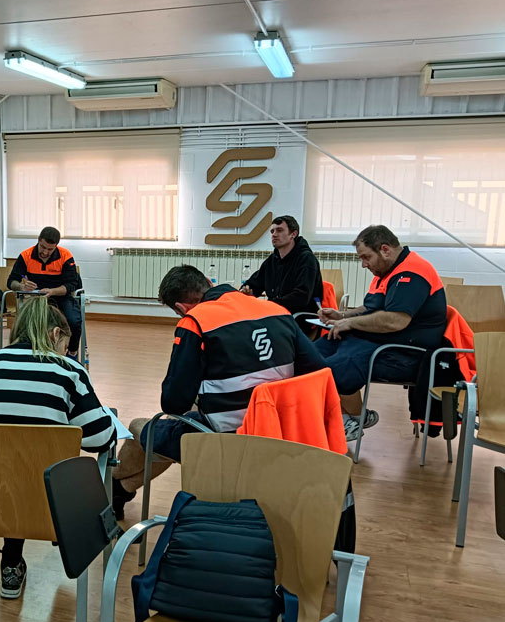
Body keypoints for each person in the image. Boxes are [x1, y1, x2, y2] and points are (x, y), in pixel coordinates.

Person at [111, 264, 327, 519]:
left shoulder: (195, 322)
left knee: (142, 427)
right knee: (173, 431)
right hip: (283, 433)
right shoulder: (277, 310)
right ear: (208, 282)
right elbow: (319, 371)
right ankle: (120, 490)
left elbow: (173, 402)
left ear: (181, 308)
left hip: (227, 442)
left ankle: (113, 485)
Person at [0, 295, 117, 599]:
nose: (65, 353)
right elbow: (101, 439)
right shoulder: (68, 370)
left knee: (12, 464)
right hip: (54, 505)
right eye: (65, 345)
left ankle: (11, 562)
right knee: (36, 468)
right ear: (56, 334)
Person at [316, 225, 447, 439]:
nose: (363, 264)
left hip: (405, 353)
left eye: (366, 257)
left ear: (385, 250)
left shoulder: (412, 272)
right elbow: (371, 308)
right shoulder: (386, 271)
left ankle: (346, 421)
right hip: (379, 342)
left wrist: (351, 323)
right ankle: (355, 417)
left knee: (331, 369)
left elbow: (395, 320)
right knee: (311, 356)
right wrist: (342, 316)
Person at [7, 227, 83, 361]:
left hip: (61, 296)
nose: (45, 252)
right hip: (37, 298)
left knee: (74, 321)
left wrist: (53, 291)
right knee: (25, 321)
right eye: (42, 247)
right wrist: (22, 286)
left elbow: (71, 285)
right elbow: (11, 281)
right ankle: (28, 351)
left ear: (56, 246)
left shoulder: (65, 256)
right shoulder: (26, 255)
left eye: (50, 249)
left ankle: (72, 353)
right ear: (38, 240)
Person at [241, 215, 324, 315]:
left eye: (279, 230)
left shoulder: (306, 259)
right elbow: (255, 283)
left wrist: (269, 305)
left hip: (298, 317)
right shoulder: (272, 260)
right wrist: (246, 291)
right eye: (272, 231)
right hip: (276, 313)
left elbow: (301, 297)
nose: (274, 235)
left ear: (293, 234)